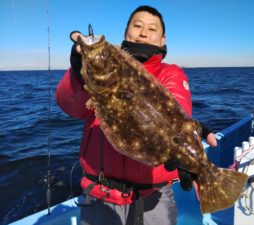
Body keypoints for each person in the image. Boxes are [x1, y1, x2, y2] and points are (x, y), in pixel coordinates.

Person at [55, 5, 217, 225]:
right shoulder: (98, 69)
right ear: (125, 31)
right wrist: (77, 68)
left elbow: (177, 107)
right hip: (97, 195)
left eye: (152, 29)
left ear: (163, 40)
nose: (143, 33)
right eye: (137, 26)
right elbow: (72, 107)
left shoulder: (171, 73)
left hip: (151, 198)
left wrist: (188, 143)